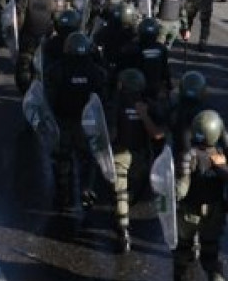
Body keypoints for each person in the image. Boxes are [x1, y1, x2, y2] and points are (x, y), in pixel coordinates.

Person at [172, 109, 228, 281]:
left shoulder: (190, 155)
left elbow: (181, 190)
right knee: (211, 256)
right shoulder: (222, 156)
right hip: (215, 213)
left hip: (190, 213)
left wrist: (168, 192)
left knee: (182, 252)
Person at [46, 33, 108, 211]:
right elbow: (103, 98)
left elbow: (49, 97)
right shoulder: (96, 72)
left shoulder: (57, 69)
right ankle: (86, 189)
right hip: (87, 125)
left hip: (64, 122)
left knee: (62, 159)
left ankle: (63, 194)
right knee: (88, 159)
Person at [108, 68, 167, 253]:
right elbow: (159, 134)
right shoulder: (149, 104)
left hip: (120, 154)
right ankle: (123, 224)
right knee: (129, 192)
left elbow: (108, 133)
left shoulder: (113, 104)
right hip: (141, 157)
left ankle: (122, 227)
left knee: (121, 192)